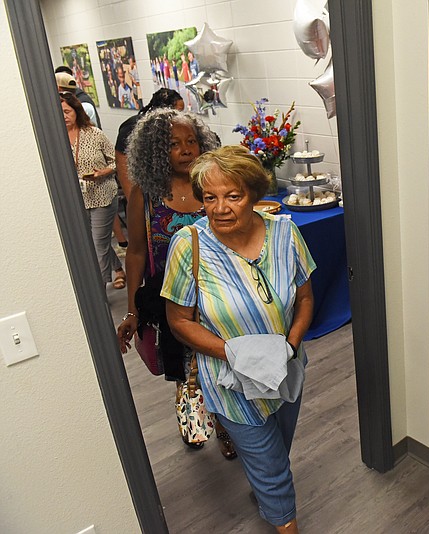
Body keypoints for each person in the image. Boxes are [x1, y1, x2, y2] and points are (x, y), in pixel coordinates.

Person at [161, 146, 315, 533]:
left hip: (286, 371)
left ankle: (265, 492)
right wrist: (235, 353)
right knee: (273, 466)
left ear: (255, 195)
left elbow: (306, 297)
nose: (219, 208)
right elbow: (179, 321)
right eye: (210, 198)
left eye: (233, 196)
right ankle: (283, 517)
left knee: (278, 446)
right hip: (231, 382)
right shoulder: (189, 245)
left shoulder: (285, 232)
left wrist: (291, 344)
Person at [116, 109, 237, 459]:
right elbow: (137, 252)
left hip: (219, 295)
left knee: (223, 364)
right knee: (187, 366)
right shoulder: (145, 195)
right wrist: (132, 310)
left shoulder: (214, 185)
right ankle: (193, 413)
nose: (186, 149)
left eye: (191, 141)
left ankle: (229, 425)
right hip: (172, 301)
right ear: (156, 151)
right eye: (173, 144)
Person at [60, 91, 125, 288]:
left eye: (67, 111)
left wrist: (103, 172)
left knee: (98, 243)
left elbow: (117, 162)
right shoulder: (57, 140)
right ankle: (119, 270)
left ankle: (101, 288)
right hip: (77, 199)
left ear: (76, 111)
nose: (64, 116)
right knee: (97, 242)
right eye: (60, 112)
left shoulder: (94, 134)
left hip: (102, 194)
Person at [115, 88, 184, 198]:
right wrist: (132, 197)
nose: (181, 116)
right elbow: (122, 164)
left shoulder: (173, 128)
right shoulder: (133, 127)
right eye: (178, 111)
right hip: (144, 187)